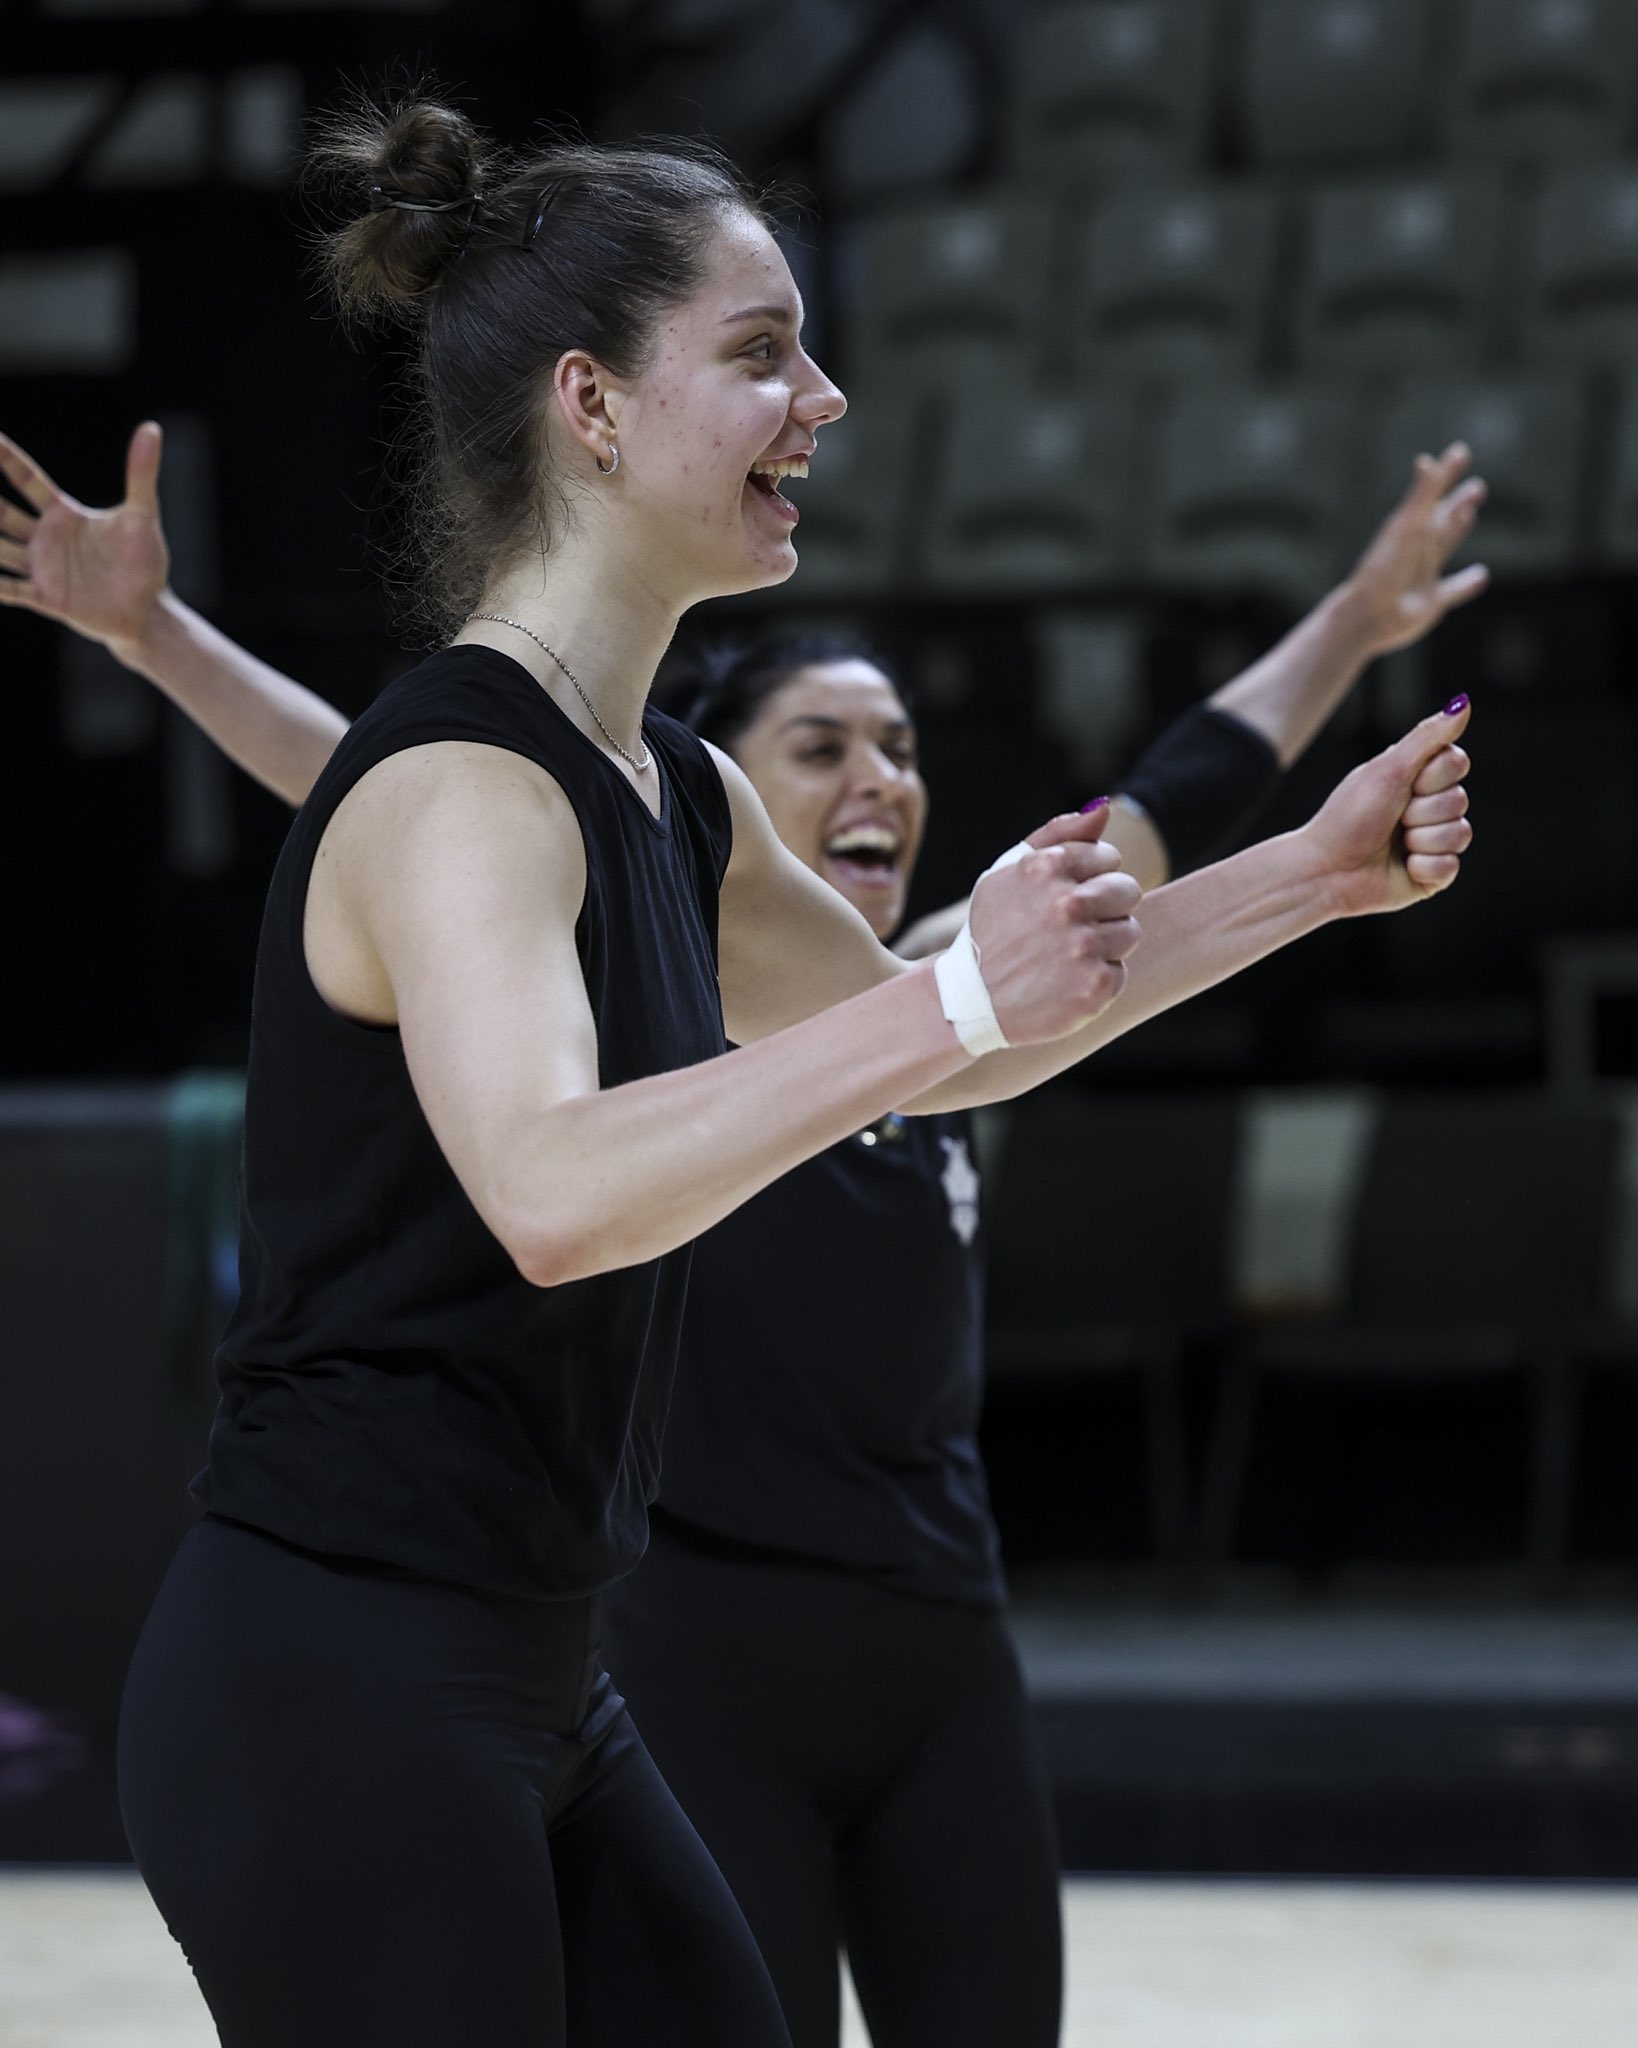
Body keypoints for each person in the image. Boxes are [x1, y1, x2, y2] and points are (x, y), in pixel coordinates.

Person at [0, 97, 1475, 2048]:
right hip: (335, 1674)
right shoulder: (458, 785)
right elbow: (551, 1188)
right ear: (593, 410)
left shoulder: (678, 793)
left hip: (546, 1680)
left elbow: (952, 1046)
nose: (827, 399)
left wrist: (1312, 877)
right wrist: (952, 1002)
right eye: (765, 352)